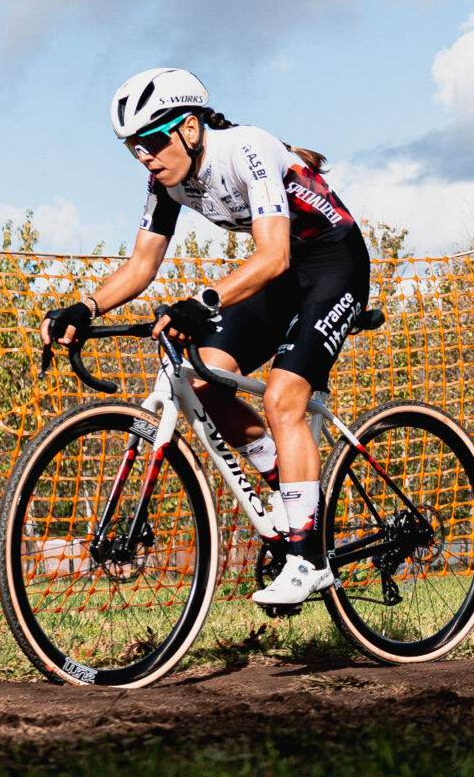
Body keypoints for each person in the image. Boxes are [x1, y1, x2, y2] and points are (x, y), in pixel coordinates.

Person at [41, 68, 369, 607]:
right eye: (132, 149)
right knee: (200, 378)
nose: (144, 157)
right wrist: (87, 305)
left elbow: (274, 255)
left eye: (150, 141)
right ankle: (291, 495)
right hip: (280, 276)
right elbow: (142, 263)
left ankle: (309, 559)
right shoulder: (166, 181)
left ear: (189, 128)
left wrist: (204, 301)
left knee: (286, 397)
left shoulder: (246, 149)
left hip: (333, 262)